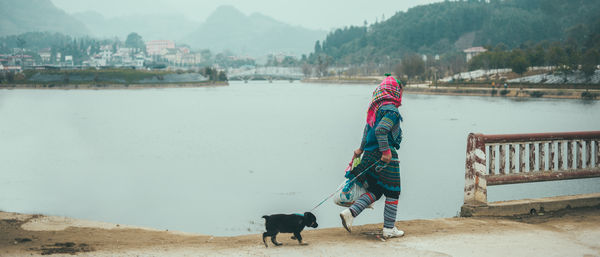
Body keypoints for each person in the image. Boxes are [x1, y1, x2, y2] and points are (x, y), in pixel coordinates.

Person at [340, 74, 404, 239]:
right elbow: (381, 130)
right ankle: (389, 229)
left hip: (369, 154)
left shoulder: (376, 108)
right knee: (393, 192)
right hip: (383, 156)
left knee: (376, 190)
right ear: (395, 91)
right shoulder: (391, 110)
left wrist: (360, 149)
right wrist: (386, 152)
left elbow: (367, 130)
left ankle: (350, 213)